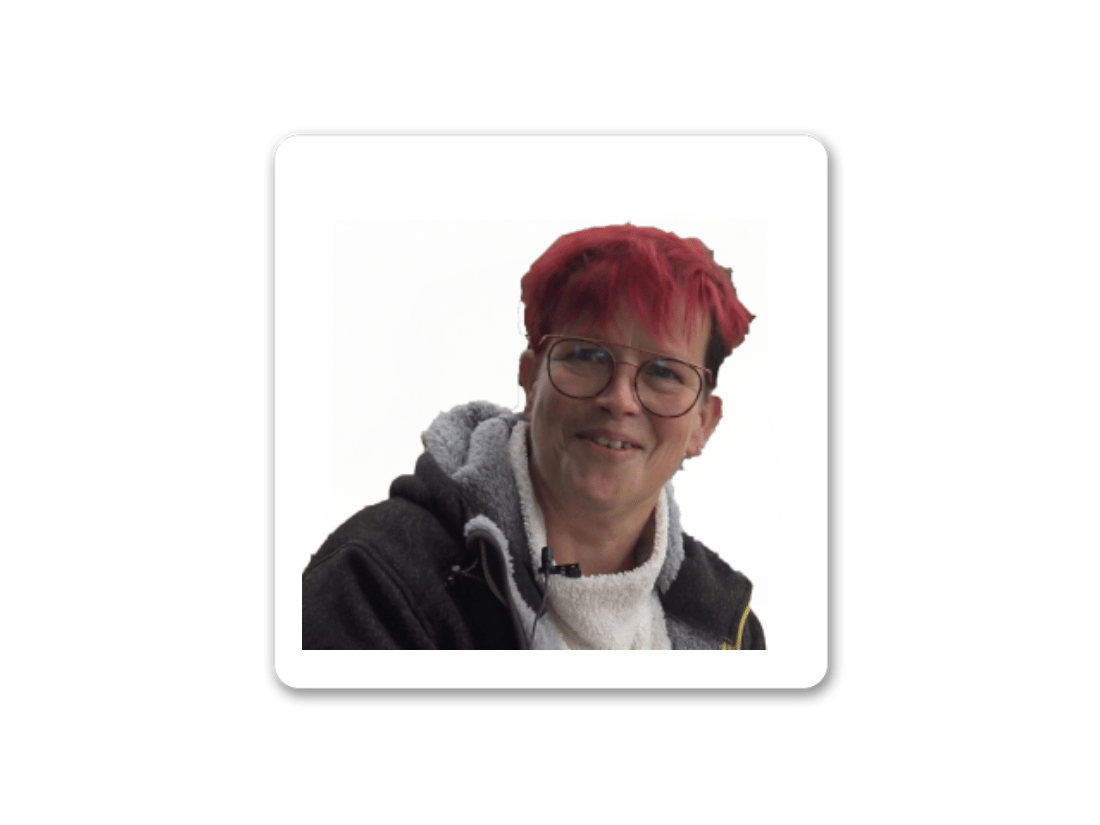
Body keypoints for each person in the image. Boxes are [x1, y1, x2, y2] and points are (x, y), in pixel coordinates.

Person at [302, 224, 765, 649]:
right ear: (530, 381)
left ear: (703, 424)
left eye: (664, 371)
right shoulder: (376, 582)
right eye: (587, 355)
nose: (620, 399)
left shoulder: (733, 633)